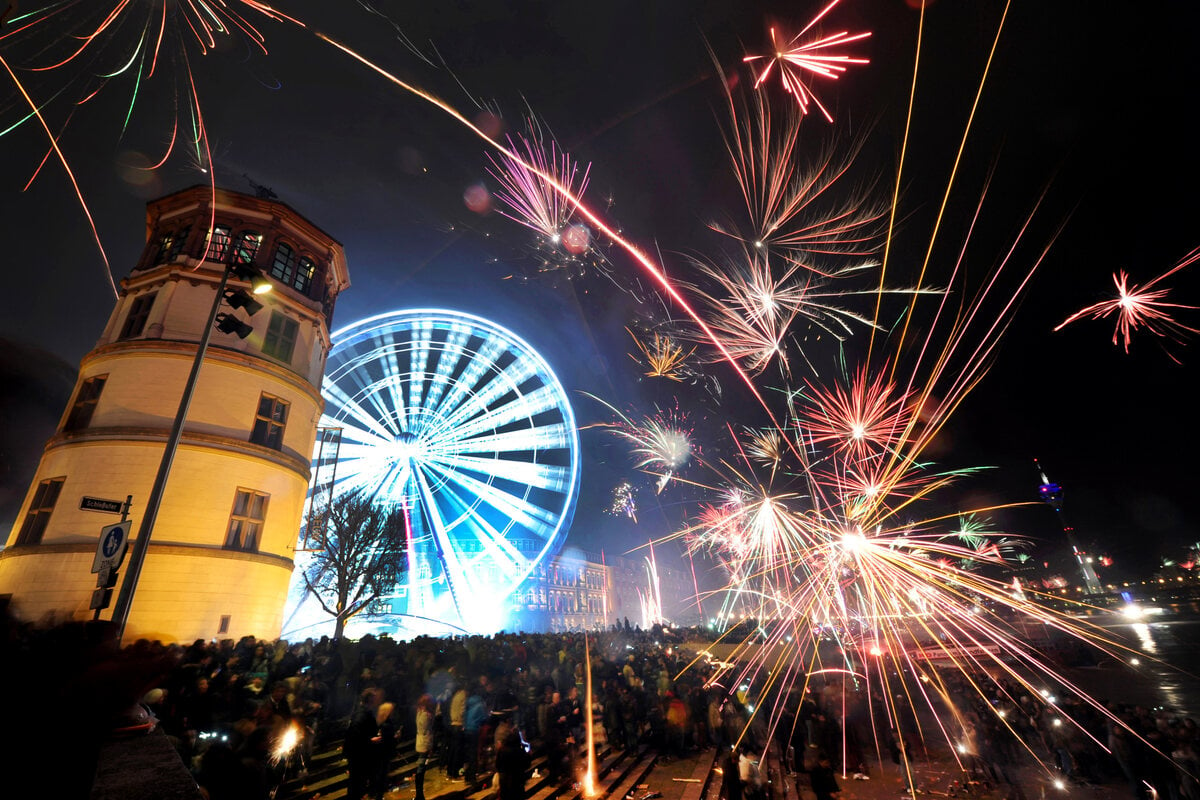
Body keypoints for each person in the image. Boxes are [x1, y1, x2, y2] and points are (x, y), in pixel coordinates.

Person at [344, 688, 382, 800]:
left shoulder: (365, 712)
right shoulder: (361, 714)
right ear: (370, 700)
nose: (377, 701)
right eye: (375, 699)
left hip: (361, 755)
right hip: (358, 756)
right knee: (356, 784)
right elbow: (355, 736)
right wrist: (370, 740)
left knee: (358, 784)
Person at [414, 693, 435, 800]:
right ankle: (419, 794)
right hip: (424, 744)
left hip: (421, 742)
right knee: (421, 768)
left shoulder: (419, 712)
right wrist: (430, 747)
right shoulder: (426, 715)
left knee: (421, 767)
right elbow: (427, 732)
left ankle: (419, 793)